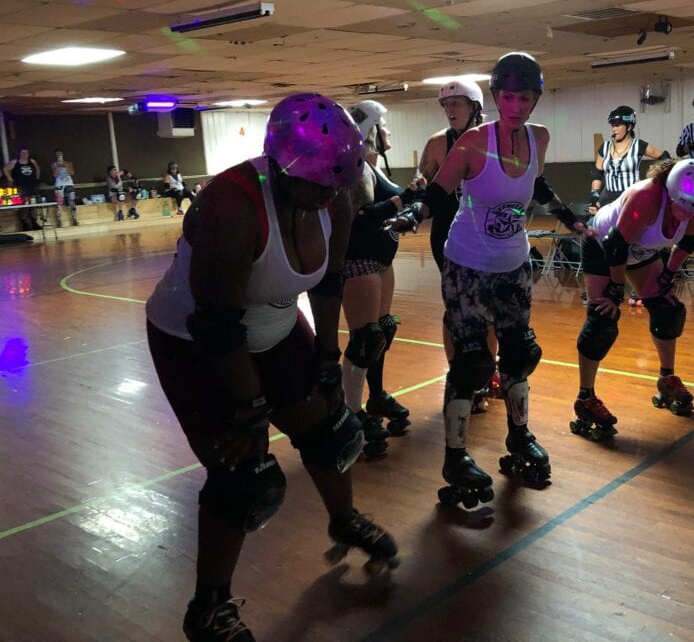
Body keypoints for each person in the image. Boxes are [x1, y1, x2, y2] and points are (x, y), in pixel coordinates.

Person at [145, 93, 398, 642]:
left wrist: (328, 359)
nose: (329, 194)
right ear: (284, 168)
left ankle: (343, 519)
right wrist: (252, 409)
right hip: (195, 341)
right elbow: (219, 327)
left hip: (277, 327)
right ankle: (208, 608)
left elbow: (328, 284)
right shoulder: (229, 208)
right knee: (242, 474)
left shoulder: (337, 196)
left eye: (338, 183)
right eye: (320, 184)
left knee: (330, 430)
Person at [388, 52, 582, 506]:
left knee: (519, 353)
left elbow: (537, 186)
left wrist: (570, 219)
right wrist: (410, 216)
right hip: (467, 261)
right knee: (472, 363)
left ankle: (519, 436)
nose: (516, 105)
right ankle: (456, 456)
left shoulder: (540, 138)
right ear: (496, 98)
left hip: (513, 262)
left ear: (535, 99)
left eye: (525, 97)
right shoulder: (473, 142)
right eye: (508, 96)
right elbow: (437, 193)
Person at [571, 159, 694, 441]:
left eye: (693, 211)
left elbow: (686, 244)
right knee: (602, 319)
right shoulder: (646, 197)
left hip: (639, 251)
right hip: (603, 246)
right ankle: (585, 397)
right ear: (671, 192)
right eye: (682, 207)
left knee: (668, 310)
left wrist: (669, 274)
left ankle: (666, 378)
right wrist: (615, 290)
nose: (686, 216)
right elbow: (616, 246)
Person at [413, 78, 500, 410]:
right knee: (458, 310)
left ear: (475, 107)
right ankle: (458, 374)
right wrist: (419, 186)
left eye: (456, 104)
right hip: (450, 236)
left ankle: (487, 371)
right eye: (446, 105)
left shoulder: (493, 138)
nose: (449, 110)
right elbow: (423, 185)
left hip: (488, 235)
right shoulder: (438, 143)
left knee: (490, 310)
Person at [340, 99, 414, 455]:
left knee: (382, 331)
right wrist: (408, 199)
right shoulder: (355, 169)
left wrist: (410, 207)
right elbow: (363, 216)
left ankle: (377, 395)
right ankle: (350, 412)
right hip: (360, 262)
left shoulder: (372, 166)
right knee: (365, 339)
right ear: (368, 133)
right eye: (382, 126)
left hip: (382, 261)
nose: (388, 132)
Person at [589, 106, 670, 306]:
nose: (614, 129)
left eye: (617, 125)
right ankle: (605, 288)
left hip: (631, 200)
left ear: (629, 125)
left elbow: (665, 158)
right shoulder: (604, 147)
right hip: (609, 200)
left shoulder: (639, 146)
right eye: (612, 125)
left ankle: (638, 288)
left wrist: (656, 181)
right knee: (604, 243)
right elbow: (598, 174)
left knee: (635, 244)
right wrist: (594, 197)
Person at [3, 146, 43, 231]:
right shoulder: (15, 162)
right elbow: (5, 169)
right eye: (23, 153)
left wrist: (37, 178)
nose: (25, 155)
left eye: (26, 153)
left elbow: (37, 168)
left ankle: (34, 222)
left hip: (32, 186)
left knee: (33, 205)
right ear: (20, 154)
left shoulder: (32, 161)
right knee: (23, 205)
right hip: (21, 186)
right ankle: (25, 223)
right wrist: (10, 178)